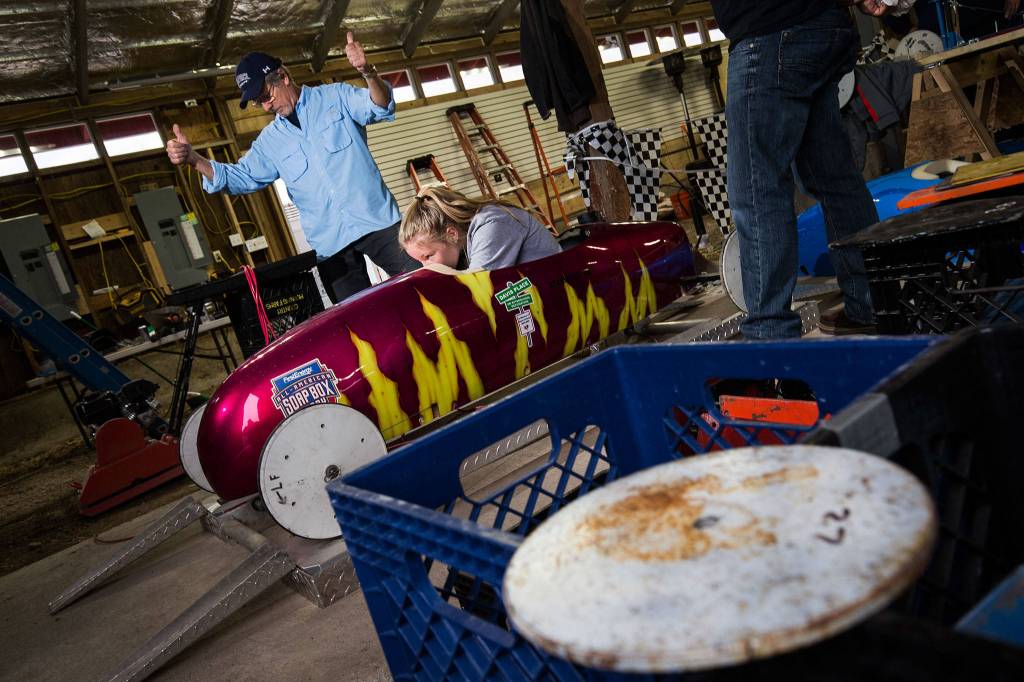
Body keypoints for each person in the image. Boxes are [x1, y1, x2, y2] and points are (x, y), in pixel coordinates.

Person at [711, 0, 914, 338]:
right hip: (822, 28)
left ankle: (769, 333)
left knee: (757, 190)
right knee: (833, 177)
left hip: (770, 29)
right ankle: (872, 304)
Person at [165, 32, 418, 303]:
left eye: (266, 95)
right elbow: (240, 177)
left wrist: (367, 72)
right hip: (331, 246)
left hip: (379, 223)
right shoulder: (270, 142)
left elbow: (379, 106)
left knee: (423, 285)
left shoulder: (336, 98)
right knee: (358, 326)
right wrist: (194, 159)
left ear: (283, 77)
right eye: (258, 101)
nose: (265, 106)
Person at [399, 187, 561, 270]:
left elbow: (477, 287)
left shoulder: (491, 223)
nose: (426, 267)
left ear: (452, 234)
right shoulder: (463, 240)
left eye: (428, 256)